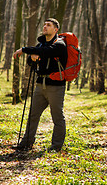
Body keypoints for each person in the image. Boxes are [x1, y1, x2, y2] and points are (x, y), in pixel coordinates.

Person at [12, 18, 67, 152]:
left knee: (57, 117)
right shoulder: (40, 45)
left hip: (55, 86)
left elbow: (47, 52)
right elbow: (31, 62)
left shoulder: (60, 44)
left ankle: (56, 146)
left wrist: (24, 50)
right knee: (33, 115)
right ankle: (26, 143)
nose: (45, 27)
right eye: (44, 25)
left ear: (56, 30)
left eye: (49, 25)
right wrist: (32, 58)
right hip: (39, 85)